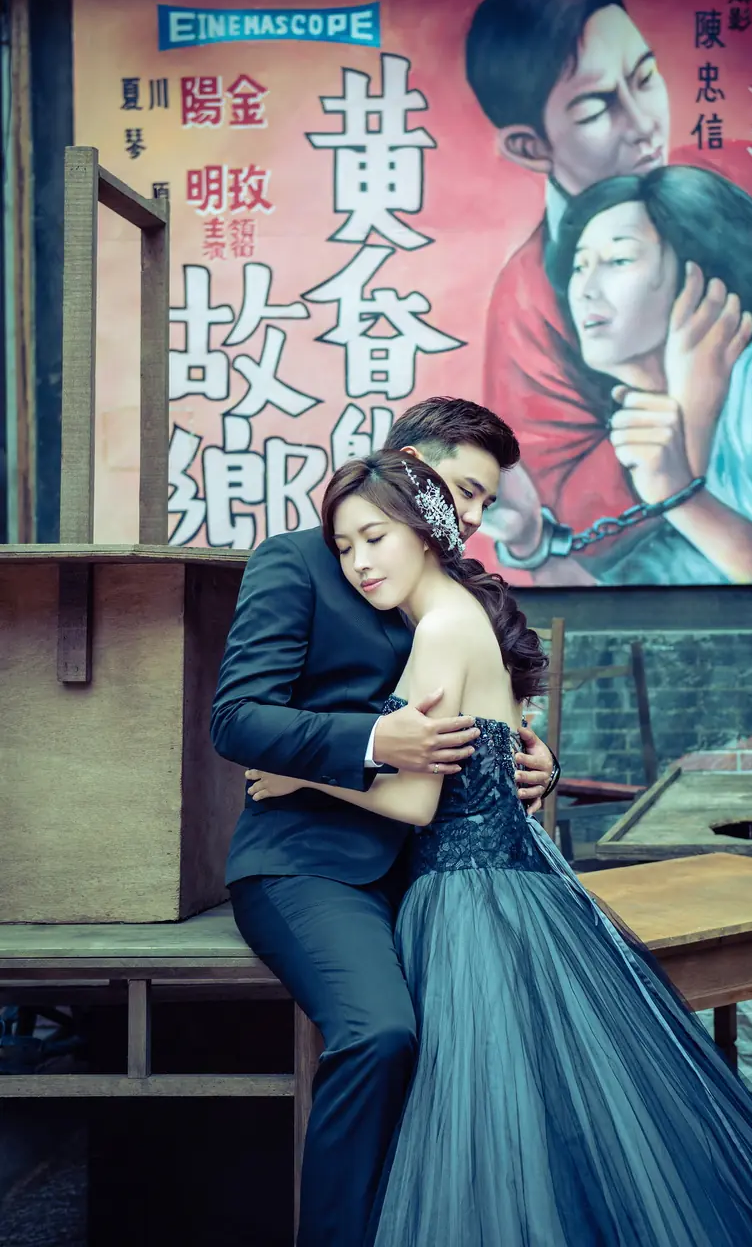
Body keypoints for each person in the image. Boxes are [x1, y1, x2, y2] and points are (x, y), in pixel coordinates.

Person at [246, 450, 752, 1246]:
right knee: (543, 1104)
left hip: (464, 889)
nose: (359, 562)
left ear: (423, 532)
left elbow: (416, 800)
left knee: (485, 1107)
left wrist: (302, 776)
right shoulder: (459, 616)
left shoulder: (441, 630)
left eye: (374, 539)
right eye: (346, 546)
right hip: (512, 881)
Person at [210, 397, 558, 1247]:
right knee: (380, 1034)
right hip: (313, 864)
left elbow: (486, 708)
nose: (473, 518)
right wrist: (367, 742)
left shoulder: (459, 592)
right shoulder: (298, 563)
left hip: (445, 873)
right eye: (465, 491)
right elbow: (238, 717)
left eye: (484, 503)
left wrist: (535, 762)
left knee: (494, 1049)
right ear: (411, 467)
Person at [465, 0, 752, 570]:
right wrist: (684, 411)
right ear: (530, 147)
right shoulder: (528, 308)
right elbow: (585, 528)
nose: (644, 124)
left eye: (644, 78)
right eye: (596, 108)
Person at [534, 165, 752, 585]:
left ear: (697, 275)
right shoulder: (649, 419)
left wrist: (680, 493)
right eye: (579, 266)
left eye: (619, 260)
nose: (586, 288)